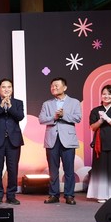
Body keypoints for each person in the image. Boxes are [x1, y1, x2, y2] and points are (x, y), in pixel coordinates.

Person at [38, 77, 82, 205]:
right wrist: (55, 117)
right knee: (53, 170)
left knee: (69, 169)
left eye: (57, 86)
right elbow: (41, 119)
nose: (54, 88)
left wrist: (64, 115)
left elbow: (78, 118)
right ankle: (53, 194)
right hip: (52, 139)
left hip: (68, 139)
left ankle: (69, 195)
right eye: (52, 86)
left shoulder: (74, 102)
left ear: (65, 87)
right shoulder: (47, 104)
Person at [0, 78, 24, 205]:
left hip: (14, 140)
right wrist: (2, 106)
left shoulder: (18, 103)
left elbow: (20, 116)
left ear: (12, 89)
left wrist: (10, 106)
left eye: (9, 87)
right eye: (3, 87)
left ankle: (11, 195)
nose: (6, 89)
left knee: (13, 169)